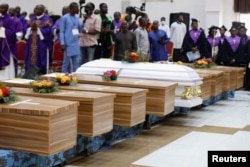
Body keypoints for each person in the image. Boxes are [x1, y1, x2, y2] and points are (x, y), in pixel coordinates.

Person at [24, 4, 53, 74]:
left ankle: (41, 74)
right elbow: (24, 28)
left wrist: (39, 30)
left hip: (41, 44)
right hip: (31, 44)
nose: (36, 10)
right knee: (29, 59)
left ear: (43, 10)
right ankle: (29, 74)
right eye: (35, 9)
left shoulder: (47, 20)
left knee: (41, 59)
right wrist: (29, 29)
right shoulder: (32, 19)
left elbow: (49, 31)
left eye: (39, 9)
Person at [59, 2, 82, 73]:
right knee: (66, 63)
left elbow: (79, 29)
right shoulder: (65, 18)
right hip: (67, 44)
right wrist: (62, 43)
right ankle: (62, 78)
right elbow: (61, 31)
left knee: (76, 63)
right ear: (72, 8)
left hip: (75, 43)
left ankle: (76, 78)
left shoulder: (77, 17)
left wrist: (83, 22)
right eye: (77, 8)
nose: (78, 9)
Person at [0, 3, 16, 80]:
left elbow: (12, 32)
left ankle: (6, 77)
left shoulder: (10, 20)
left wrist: (2, 29)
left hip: (6, 44)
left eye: (3, 8)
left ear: (7, 9)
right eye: (0, 8)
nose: (1, 9)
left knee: (5, 58)